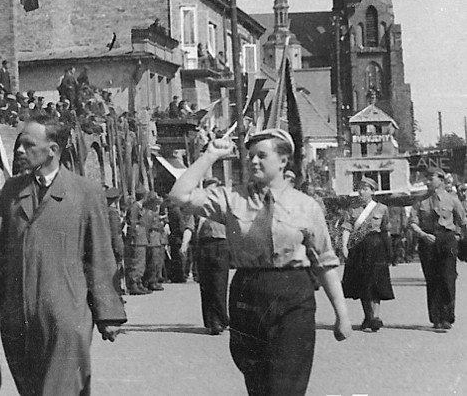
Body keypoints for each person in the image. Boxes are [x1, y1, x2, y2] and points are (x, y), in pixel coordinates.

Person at [169, 129, 350, 395]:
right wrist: (209, 156)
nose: (253, 161)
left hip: (293, 293)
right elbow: (179, 196)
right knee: (258, 383)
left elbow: (325, 263)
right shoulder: (232, 198)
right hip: (248, 291)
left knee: (286, 384)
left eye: (261, 156)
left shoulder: (306, 206)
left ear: (283, 161)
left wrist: (342, 315)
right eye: (250, 156)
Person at [0, 114, 126, 396]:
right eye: (18, 144)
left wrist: (109, 314)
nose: (19, 150)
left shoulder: (86, 192)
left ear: (53, 150)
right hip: (17, 320)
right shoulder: (11, 191)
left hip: (66, 318)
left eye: (28, 144)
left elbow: (101, 256)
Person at [410, 166, 466, 330]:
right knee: (432, 280)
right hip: (428, 241)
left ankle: (447, 316)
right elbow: (412, 222)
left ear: (441, 180)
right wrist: (422, 234)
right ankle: (436, 318)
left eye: (431, 178)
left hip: (447, 241)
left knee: (448, 279)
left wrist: (459, 237)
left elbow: (462, 220)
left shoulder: (452, 199)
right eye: (426, 178)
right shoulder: (420, 201)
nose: (427, 182)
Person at [339, 177, 394, 332]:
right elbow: (347, 228)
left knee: (376, 281)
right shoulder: (352, 209)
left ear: (372, 191)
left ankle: (375, 317)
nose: (361, 191)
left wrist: (389, 251)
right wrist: (344, 246)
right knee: (362, 282)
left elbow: (385, 230)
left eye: (365, 188)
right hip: (358, 247)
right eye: (360, 188)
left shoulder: (381, 208)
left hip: (376, 247)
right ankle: (368, 316)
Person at [196, 177, 231, 336]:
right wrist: (185, 244)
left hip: (221, 246)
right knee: (206, 286)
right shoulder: (198, 208)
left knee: (219, 285)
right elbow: (191, 227)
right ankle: (211, 321)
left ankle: (221, 319)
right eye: (209, 190)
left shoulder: (225, 207)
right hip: (203, 246)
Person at [125, 189, 150, 294]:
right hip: (137, 238)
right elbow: (132, 223)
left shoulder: (139, 207)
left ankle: (139, 282)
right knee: (137, 262)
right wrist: (132, 237)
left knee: (141, 262)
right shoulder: (135, 207)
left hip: (141, 238)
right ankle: (133, 284)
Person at [142, 193, 166, 291]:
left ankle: (154, 280)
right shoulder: (148, 213)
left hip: (157, 240)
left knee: (156, 262)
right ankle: (151, 281)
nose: (157, 206)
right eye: (155, 204)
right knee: (152, 262)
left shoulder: (153, 213)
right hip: (152, 239)